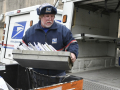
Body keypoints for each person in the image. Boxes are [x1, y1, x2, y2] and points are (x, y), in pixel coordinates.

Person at [22, 3, 78, 78]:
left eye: (52, 16)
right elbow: (22, 46)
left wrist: (73, 53)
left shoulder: (62, 30)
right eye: (47, 16)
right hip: (37, 72)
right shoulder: (30, 32)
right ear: (40, 17)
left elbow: (72, 43)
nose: (50, 19)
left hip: (58, 72)